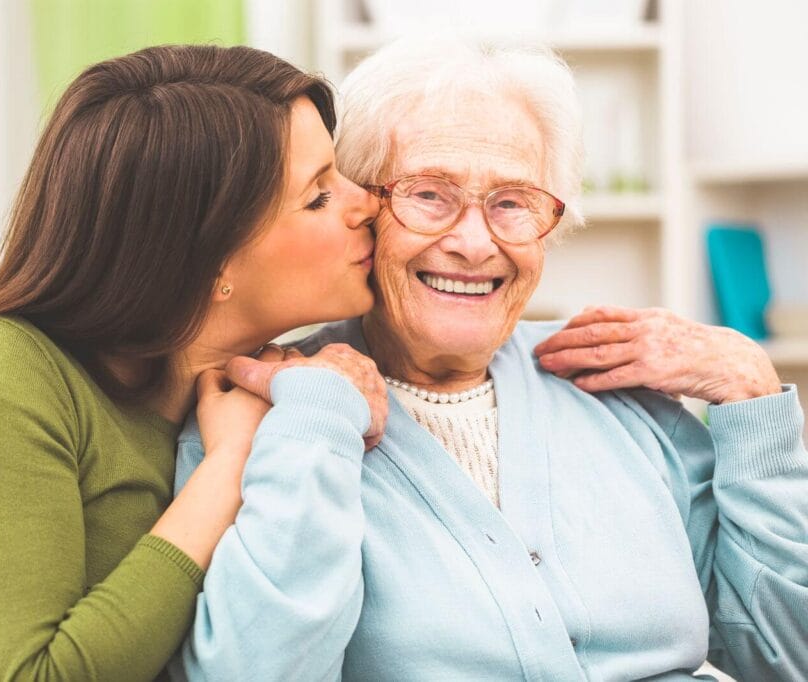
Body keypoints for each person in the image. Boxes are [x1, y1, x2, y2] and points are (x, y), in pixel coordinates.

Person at [172, 37, 808, 681]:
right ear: (361, 209)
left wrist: (754, 399)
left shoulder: (620, 389)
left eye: (512, 203)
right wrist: (320, 420)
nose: (476, 244)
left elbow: (783, 656)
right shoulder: (266, 410)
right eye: (429, 195)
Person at [0, 44, 385, 681]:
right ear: (208, 258)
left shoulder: (282, 394)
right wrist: (225, 470)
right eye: (319, 196)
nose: (368, 203)